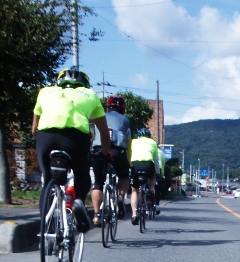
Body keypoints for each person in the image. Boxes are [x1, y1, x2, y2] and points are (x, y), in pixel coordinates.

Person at [32, 68, 110, 233]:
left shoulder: (45, 92)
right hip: (75, 139)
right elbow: (103, 131)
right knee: (82, 174)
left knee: (47, 180)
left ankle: (44, 228)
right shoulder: (90, 95)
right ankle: (79, 202)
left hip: (46, 137)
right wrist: (104, 154)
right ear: (85, 84)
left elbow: (34, 129)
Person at [91, 95, 134, 226]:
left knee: (98, 182)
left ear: (107, 108)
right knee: (124, 176)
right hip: (118, 150)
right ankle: (120, 197)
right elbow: (129, 143)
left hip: (99, 149)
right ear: (123, 109)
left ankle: (97, 215)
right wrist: (129, 162)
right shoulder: (126, 120)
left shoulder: (99, 117)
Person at [128, 128, 159, 225]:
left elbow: (128, 155)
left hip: (135, 165)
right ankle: (150, 190)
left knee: (134, 190)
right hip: (148, 164)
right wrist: (157, 172)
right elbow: (156, 160)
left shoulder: (133, 142)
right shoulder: (153, 142)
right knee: (152, 176)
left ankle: (134, 215)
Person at [154, 147, 165, 214]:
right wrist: (162, 175)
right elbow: (162, 165)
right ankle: (157, 205)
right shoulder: (161, 152)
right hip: (157, 169)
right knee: (157, 189)